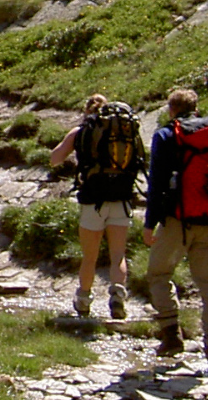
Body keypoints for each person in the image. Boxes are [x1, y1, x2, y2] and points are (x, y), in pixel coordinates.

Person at [143, 89, 208, 373]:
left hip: (175, 220)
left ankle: (171, 334)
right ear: (196, 108)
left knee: (158, 273)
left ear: (171, 109)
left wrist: (149, 223)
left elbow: (156, 183)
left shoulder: (165, 136)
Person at [49, 94, 142, 320]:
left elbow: (55, 158)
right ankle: (118, 296)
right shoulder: (124, 131)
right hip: (121, 197)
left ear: (87, 111)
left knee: (89, 256)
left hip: (92, 199)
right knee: (118, 254)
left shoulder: (82, 130)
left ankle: (83, 300)